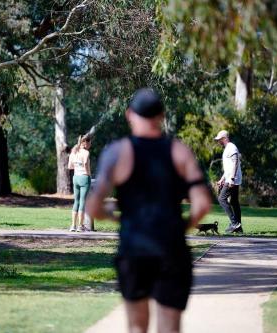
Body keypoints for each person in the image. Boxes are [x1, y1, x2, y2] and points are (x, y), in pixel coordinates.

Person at [86, 88, 212, 333]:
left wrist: (116, 218)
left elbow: (92, 206)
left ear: (129, 114)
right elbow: (203, 203)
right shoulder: (179, 151)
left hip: (134, 249)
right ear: (161, 116)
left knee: (136, 327)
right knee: (170, 327)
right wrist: (184, 225)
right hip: (172, 250)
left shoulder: (117, 152)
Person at [214, 130, 243, 233]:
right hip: (231, 178)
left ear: (225, 138)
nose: (218, 142)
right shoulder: (228, 148)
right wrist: (222, 179)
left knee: (221, 198)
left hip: (232, 179)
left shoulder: (231, 147)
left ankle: (234, 223)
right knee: (234, 202)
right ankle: (238, 228)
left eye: (219, 140)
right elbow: (229, 167)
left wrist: (231, 178)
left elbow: (235, 162)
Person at [68, 135, 92, 232]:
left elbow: (70, 166)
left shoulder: (74, 151)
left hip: (76, 177)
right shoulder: (86, 152)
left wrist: (78, 166)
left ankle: (73, 225)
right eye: (90, 142)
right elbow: (86, 163)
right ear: (85, 143)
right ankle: (80, 226)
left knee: (76, 201)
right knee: (82, 201)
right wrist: (88, 173)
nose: (90, 144)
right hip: (84, 178)